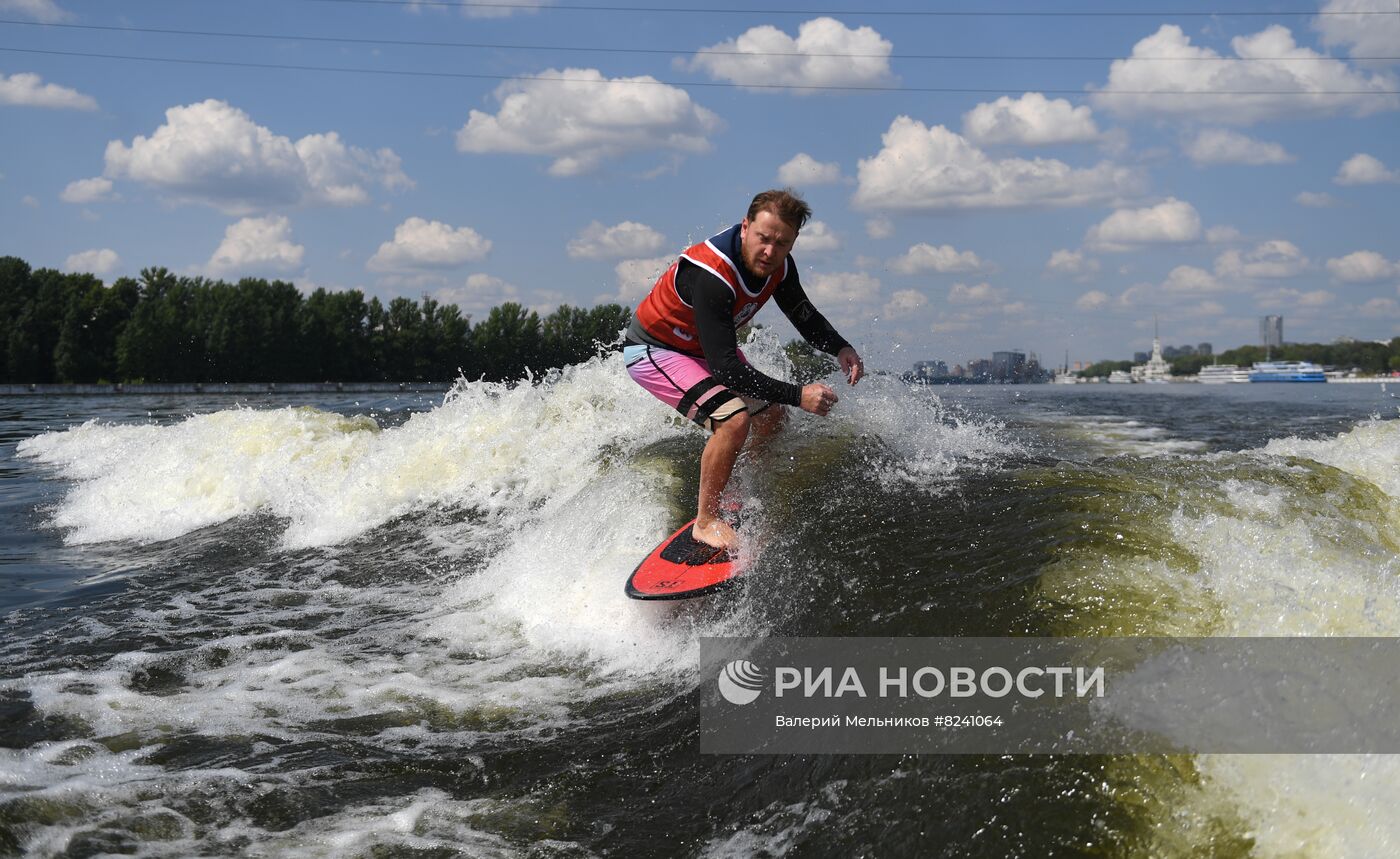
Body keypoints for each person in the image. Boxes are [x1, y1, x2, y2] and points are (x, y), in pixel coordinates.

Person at [623, 188, 863, 550]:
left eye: (781, 244)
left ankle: (732, 494)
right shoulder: (712, 275)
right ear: (745, 226)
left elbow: (803, 313)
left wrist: (840, 347)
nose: (769, 251)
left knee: (771, 417)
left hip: (702, 349)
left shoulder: (779, 266)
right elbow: (726, 370)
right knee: (734, 419)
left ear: (793, 243)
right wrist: (799, 395)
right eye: (763, 239)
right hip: (656, 351)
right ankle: (705, 521)